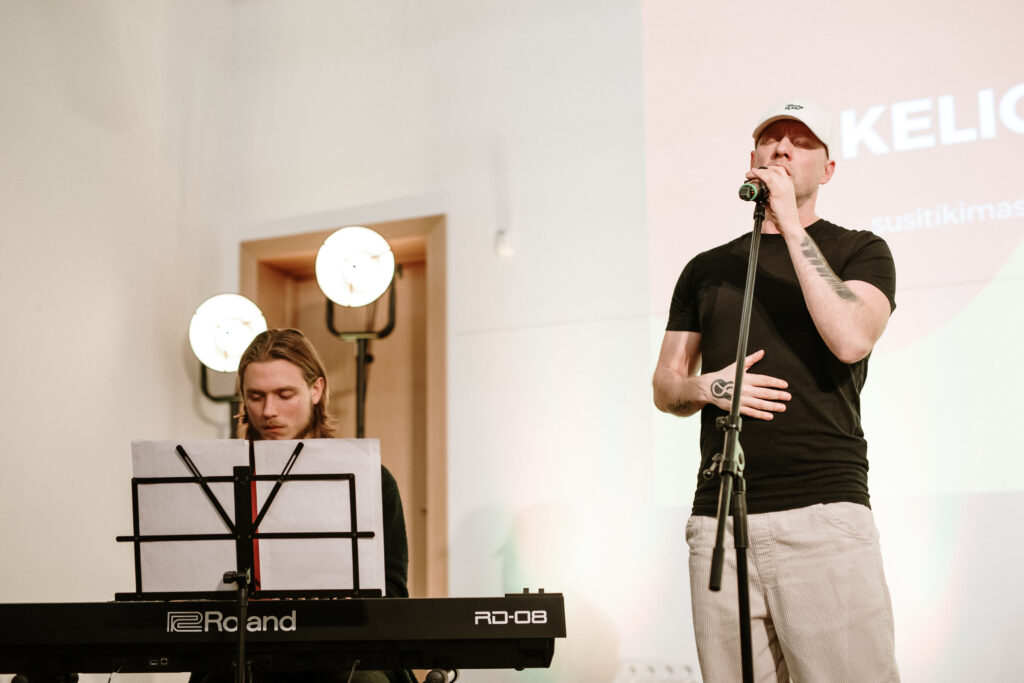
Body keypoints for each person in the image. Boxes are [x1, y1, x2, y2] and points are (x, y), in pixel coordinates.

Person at [652, 100, 900, 682]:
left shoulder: (860, 250)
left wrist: (788, 222)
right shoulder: (707, 268)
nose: (782, 149)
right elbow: (666, 385)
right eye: (771, 139)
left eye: (801, 141)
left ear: (828, 169)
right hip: (720, 518)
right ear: (752, 158)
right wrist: (707, 387)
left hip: (822, 515)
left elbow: (851, 339)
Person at [193, 327, 414, 683]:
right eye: (255, 396)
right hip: (246, 646)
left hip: (343, 649)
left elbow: (393, 594)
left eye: (285, 395)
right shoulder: (216, 483)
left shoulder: (371, 478)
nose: (269, 411)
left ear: (316, 390)